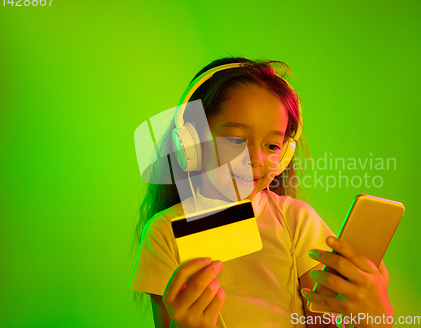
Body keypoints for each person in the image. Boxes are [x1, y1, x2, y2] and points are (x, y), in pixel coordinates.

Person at [128, 57, 393, 328]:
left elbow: (323, 322)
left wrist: (374, 319)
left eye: (272, 146)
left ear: (286, 155)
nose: (255, 159)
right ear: (191, 144)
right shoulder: (163, 233)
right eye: (235, 140)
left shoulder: (295, 220)